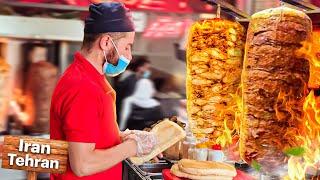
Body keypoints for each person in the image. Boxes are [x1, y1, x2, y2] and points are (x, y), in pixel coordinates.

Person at [50, 2, 159, 179]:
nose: (129, 56)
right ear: (106, 42)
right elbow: (82, 164)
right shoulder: (83, 87)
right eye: (127, 46)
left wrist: (123, 137)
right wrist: (132, 147)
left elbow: (87, 137)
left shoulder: (88, 76)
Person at [115, 56, 151, 122]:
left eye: (148, 68)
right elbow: (121, 90)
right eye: (146, 68)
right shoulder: (129, 75)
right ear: (139, 67)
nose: (147, 71)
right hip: (120, 104)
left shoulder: (140, 78)